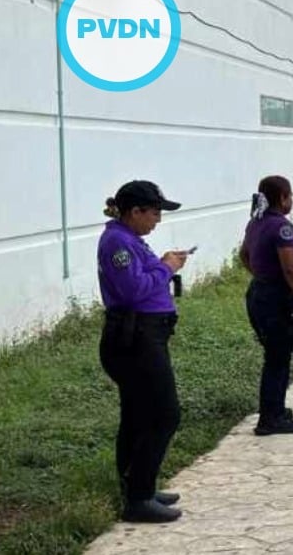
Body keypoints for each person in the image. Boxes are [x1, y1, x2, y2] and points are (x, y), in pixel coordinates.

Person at [97, 180, 189, 523]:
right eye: (154, 213)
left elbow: (143, 276)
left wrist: (163, 263)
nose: (157, 220)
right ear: (135, 212)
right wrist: (166, 268)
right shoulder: (118, 243)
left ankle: (139, 486)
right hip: (135, 339)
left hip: (145, 335)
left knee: (137, 415)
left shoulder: (132, 240)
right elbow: (134, 290)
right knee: (164, 414)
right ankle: (138, 496)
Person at [239, 176, 293, 436]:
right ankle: (270, 419)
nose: (292, 200)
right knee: (277, 358)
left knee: (276, 355)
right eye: (290, 195)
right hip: (276, 299)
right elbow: (291, 267)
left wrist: (261, 275)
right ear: (282, 197)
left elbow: (243, 255)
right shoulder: (281, 227)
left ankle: (276, 410)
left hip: (259, 293)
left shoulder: (256, 222)